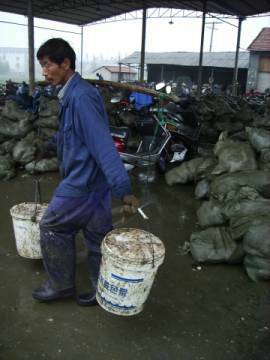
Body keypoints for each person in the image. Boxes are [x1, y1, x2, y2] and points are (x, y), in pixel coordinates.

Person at [32, 38, 139, 306]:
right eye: (42, 66)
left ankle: (61, 285)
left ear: (65, 63)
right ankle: (98, 289)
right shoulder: (72, 94)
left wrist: (124, 190)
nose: (44, 72)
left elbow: (102, 145)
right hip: (94, 184)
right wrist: (49, 146)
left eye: (47, 65)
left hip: (82, 184)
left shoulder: (80, 97)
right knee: (96, 238)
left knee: (52, 227)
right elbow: (75, 137)